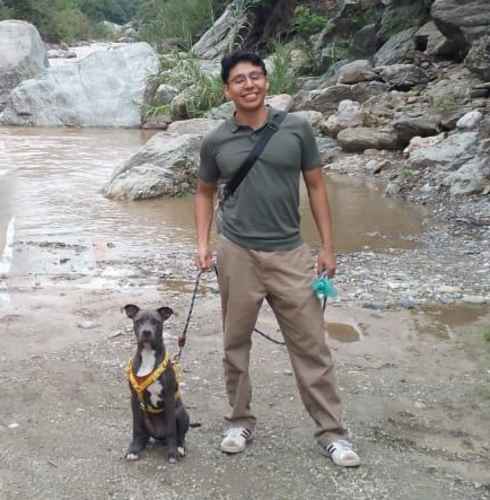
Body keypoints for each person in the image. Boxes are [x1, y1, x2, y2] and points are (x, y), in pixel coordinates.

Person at [194, 51, 360, 467]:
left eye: (256, 76)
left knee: (311, 345)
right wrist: (202, 243)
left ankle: (332, 433)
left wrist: (327, 246)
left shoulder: (296, 129)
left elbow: (316, 186)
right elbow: (204, 192)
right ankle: (239, 421)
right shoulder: (216, 141)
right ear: (227, 90)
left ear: (266, 82)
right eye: (239, 80)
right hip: (237, 253)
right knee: (235, 343)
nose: (249, 85)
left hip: (290, 252)